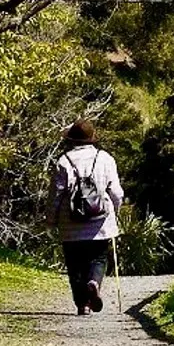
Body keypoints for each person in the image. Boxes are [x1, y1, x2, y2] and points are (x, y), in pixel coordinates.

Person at [47, 119, 125, 315]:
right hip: (100, 222)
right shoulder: (105, 158)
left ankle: (82, 305)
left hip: (70, 223)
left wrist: (51, 219)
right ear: (92, 138)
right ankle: (94, 282)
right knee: (98, 258)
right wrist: (115, 209)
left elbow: (56, 195)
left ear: (72, 139)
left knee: (75, 265)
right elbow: (116, 192)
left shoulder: (63, 161)